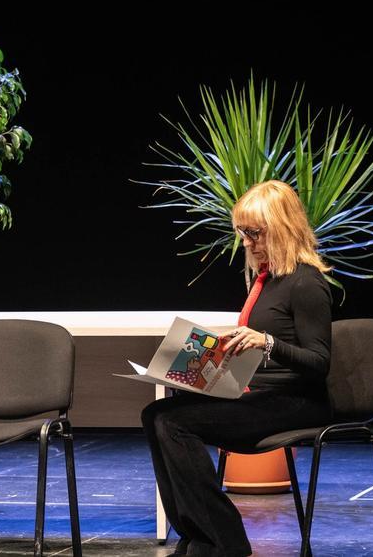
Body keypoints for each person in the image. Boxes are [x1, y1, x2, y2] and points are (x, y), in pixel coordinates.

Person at [142, 180, 334, 556]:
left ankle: (225, 539)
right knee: (155, 414)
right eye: (241, 232)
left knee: (175, 423)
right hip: (261, 394)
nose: (246, 242)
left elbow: (320, 363)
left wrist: (268, 343)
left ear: (280, 228)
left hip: (297, 401)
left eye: (253, 233)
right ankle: (195, 531)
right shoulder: (268, 279)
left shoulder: (306, 282)